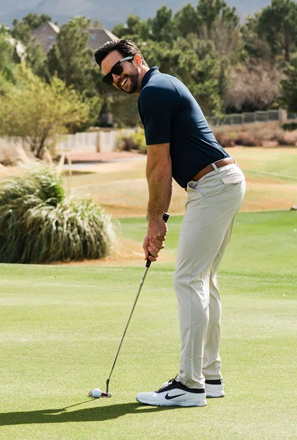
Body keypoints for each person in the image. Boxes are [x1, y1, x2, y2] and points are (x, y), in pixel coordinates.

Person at [94, 38, 246, 408]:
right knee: (204, 281)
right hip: (221, 183)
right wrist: (159, 217)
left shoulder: (154, 92)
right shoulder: (163, 86)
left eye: (119, 68)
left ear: (138, 60)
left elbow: (158, 165)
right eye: (109, 78)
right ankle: (209, 377)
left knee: (188, 279)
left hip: (213, 184)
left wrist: (155, 222)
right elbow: (163, 166)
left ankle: (189, 385)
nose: (116, 79)